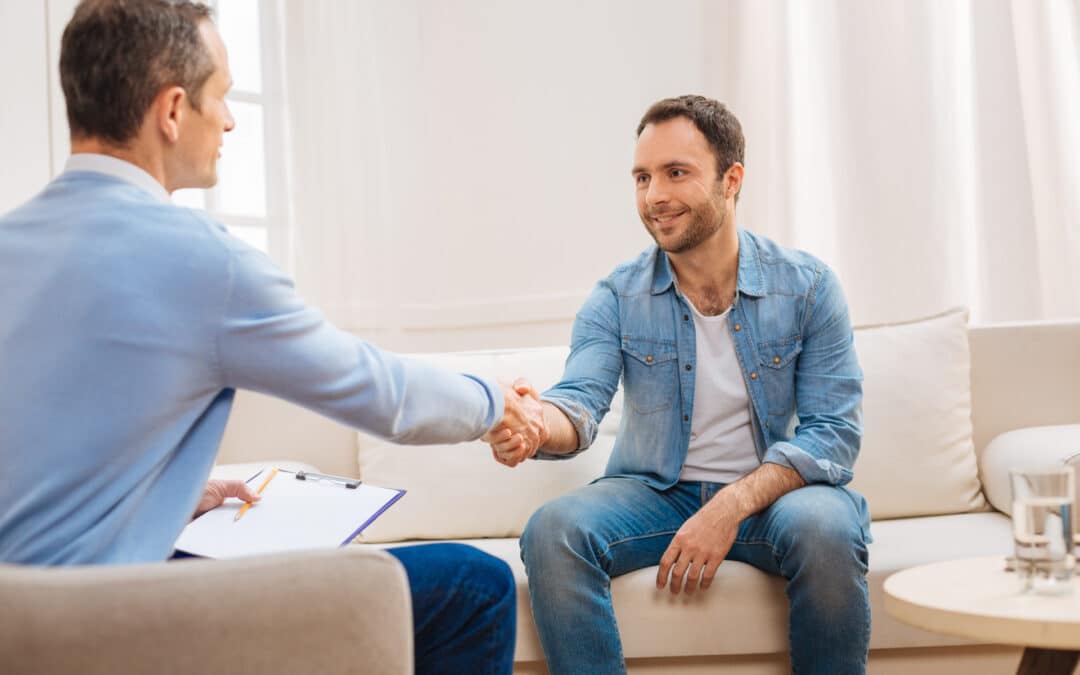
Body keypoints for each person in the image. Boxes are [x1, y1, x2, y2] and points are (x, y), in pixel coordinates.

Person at [0, 2, 543, 673]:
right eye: (221, 97)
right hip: (108, 631)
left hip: (15, 628)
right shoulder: (202, 260)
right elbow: (383, 394)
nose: (228, 120)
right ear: (173, 112)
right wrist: (494, 401)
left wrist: (164, 495)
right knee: (475, 587)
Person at [487, 95, 871, 674]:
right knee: (553, 531)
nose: (654, 196)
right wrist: (537, 424)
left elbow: (834, 435)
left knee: (826, 529)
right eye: (642, 177)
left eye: (676, 173)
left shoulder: (809, 286)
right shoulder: (616, 296)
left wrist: (730, 508)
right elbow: (580, 406)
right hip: (652, 494)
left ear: (730, 179)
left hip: (777, 497)